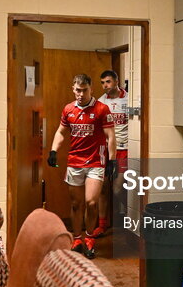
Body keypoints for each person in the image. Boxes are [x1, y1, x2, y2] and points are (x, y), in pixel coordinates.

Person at [47, 74, 117, 259]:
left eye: (84, 90)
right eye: (78, 90)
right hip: (75, 161)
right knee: (77, 204)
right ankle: (77, 238)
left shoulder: (102, 109)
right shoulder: (68, 109)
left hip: (96, 162)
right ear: (73, 89)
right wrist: (54, 150)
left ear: (91, 89)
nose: (81, 94)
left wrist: (113, 160)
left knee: (91, 202)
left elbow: (110, 136)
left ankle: (90, 238)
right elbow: (61, 132)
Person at [96, 69, 128, 240]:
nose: (105, 86)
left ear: (116, 81)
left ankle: (130, 213)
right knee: (102, 188)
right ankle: (102, 225)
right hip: (105, 149)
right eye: (102, 83)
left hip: (123, 148)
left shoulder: (128, 98)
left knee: (117, 189)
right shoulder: (101, 102)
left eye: (108, 82)